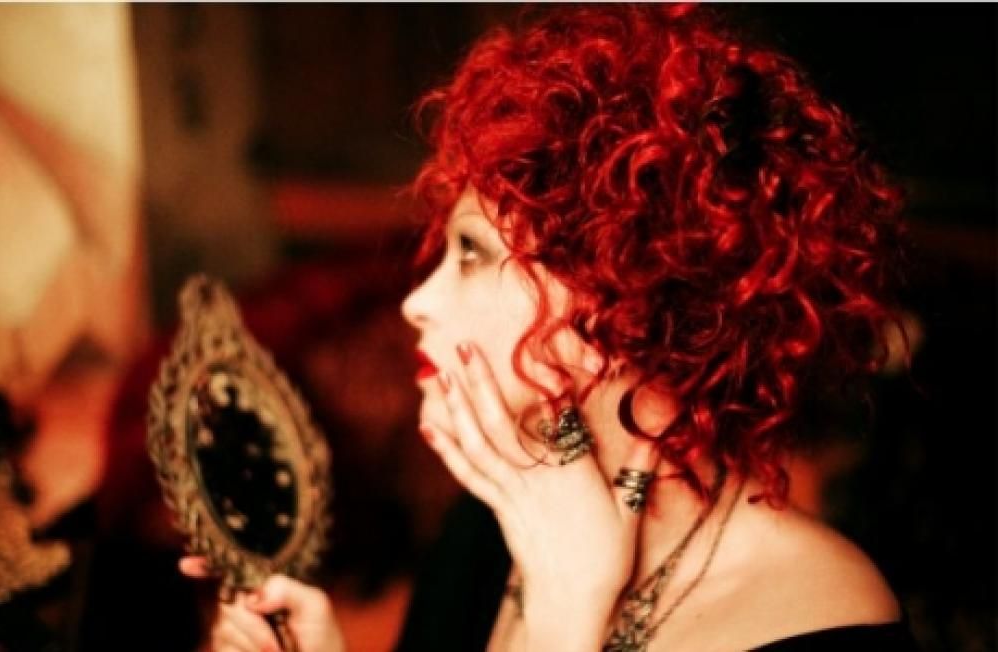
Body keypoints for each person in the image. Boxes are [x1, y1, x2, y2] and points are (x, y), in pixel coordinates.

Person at [181, 5, 919, 651]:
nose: (417, 302)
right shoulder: (484, 532)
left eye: (471, 252)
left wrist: (569, 609)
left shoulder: (823, 620)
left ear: (623, 297)